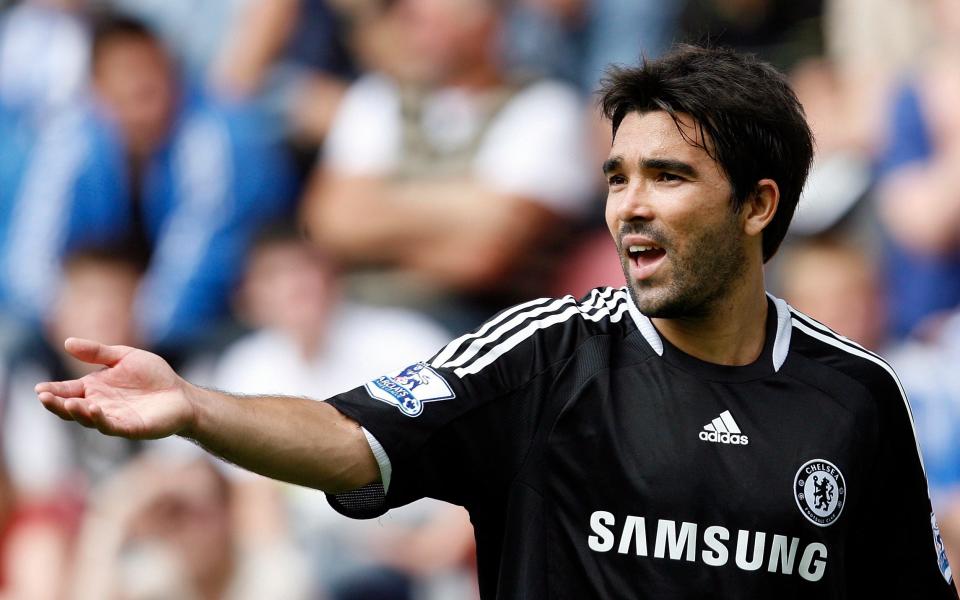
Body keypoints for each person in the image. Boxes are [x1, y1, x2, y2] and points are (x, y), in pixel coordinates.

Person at [35, 46, 957, 598]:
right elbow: (355, 437)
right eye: (616, 177)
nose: (629, 206)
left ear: (758, 206)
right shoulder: (549, 354)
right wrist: (197, 407)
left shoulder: (855, 395)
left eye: (667, 177)